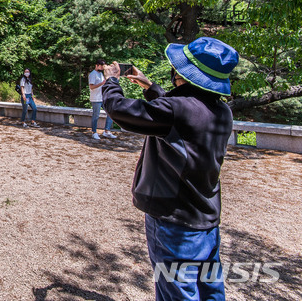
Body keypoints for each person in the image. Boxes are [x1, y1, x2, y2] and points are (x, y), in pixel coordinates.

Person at [101, 37, 239, 300]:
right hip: (206, 220)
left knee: (177, 293)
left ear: (183, 73)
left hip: (173, 221)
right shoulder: (222, 111)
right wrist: (150, 86)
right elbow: (184, 112)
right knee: (210, 288)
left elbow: (119, 110)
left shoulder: (178, 109)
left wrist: (111, 80)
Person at [88, 59, 116, 140]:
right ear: (97, 65)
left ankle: (107, 131)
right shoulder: (93, 74)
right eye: (101, 66)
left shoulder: (101, 74)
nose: (102, 68)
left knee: (110, 113)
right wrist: (102, 83)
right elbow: (91, 87)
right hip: (95, 99)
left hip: (103, 98)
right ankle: (94, 132)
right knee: (96, 116)